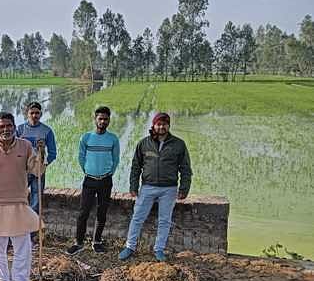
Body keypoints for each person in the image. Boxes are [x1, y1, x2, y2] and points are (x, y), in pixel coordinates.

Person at [0, 112, 43, 281]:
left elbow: (37, 171)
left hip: (19, 203)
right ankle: (3, 280)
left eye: (9, 125)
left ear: (15, 126)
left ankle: (21, 280)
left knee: (22, 244)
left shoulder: (26, 146)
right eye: (2, 126)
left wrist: (41, 154)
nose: (6, 129)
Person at [119, 112, 193, 262]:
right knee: (137, 217)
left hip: (169, 189)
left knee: (164, 220)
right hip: (147, 187)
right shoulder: (144, 143)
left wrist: (184, 188)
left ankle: (159, 249)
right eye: (159, 124)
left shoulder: (179, 144)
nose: (161, 127)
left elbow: (185, 168)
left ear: (169, 126)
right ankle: (130, 246)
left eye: (165, 124)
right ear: (153, 125)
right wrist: (133, 185)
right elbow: (136, 166)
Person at [66, 106, 120, 255]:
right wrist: (88, 171)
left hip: (105, 181)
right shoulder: (86, 138)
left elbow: (116, 159)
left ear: (109, 120)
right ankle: (78, 242)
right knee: (83, 212)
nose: (103, 121)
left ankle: (96, 242)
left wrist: (110, 172)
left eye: (105, 119)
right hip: (89, 180)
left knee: (102, 212)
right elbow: (81, 157)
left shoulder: (113, 139)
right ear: (95, 119)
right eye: (100, 118)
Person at [16, 102, 57, 214]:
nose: (34, 116)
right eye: (32, 113)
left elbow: (53, 153)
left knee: (36, 201)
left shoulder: (46, 131)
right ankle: (19, 223)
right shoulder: (19, 130)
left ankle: (33, 227)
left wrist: (44, 165)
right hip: (23, 171)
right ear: (27, 114)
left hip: (39, 170)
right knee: (18, 197)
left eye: (37, 113)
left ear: (41, 114)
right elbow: (13, 150)